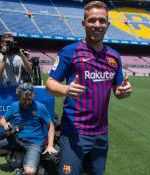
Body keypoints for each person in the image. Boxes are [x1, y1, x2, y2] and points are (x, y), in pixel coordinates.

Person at [45, 1, 132, 175]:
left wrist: (124, 91)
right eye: (92, 20)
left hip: (101, 134)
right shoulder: (70, 51)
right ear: (84, 23)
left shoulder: (114, 56)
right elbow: (49, 84)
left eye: (102, 20)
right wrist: (65, 90)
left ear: (108, 24)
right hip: (74, 132)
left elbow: (118, 91)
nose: (97, 25)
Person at [0, 83, 57, 175]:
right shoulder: (14, 106)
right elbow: (2, 120)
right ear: (18, 96)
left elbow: (50, 126)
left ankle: (23, 157)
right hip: (16, 140)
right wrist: (5, 124)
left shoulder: (40, 107)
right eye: (24, 99)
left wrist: (50, 145)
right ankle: (17, 154)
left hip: (34, 143)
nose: (27, 102)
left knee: (30, 172)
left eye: (29, 99)